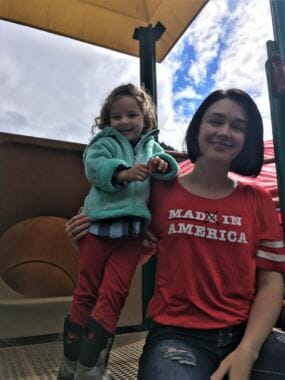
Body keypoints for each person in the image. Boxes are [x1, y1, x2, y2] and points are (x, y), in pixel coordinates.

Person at [65, 89, 285, 380]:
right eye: (215, 121)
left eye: (238, 126)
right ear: (197, 127)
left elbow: (271, 281)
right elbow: (133, 248)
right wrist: (86, 233)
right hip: (177, 337)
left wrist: (248, 350)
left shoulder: (257, 199)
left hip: (247, 332)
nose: (224, 131)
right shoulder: (160, 191)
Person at [57, 83, 179, 380]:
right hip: (97, 232)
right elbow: (94, 165)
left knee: (114, 295)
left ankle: (90, 370)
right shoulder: (104, 142)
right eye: (116, 117)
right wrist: (123, 172)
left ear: (145, 119)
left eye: (132, 115)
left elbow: (171, 169)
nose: (124, 122)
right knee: (86, 291)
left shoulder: (152, 147)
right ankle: (68, 366)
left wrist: (162, 164)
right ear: (107, 121)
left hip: (130, 238)